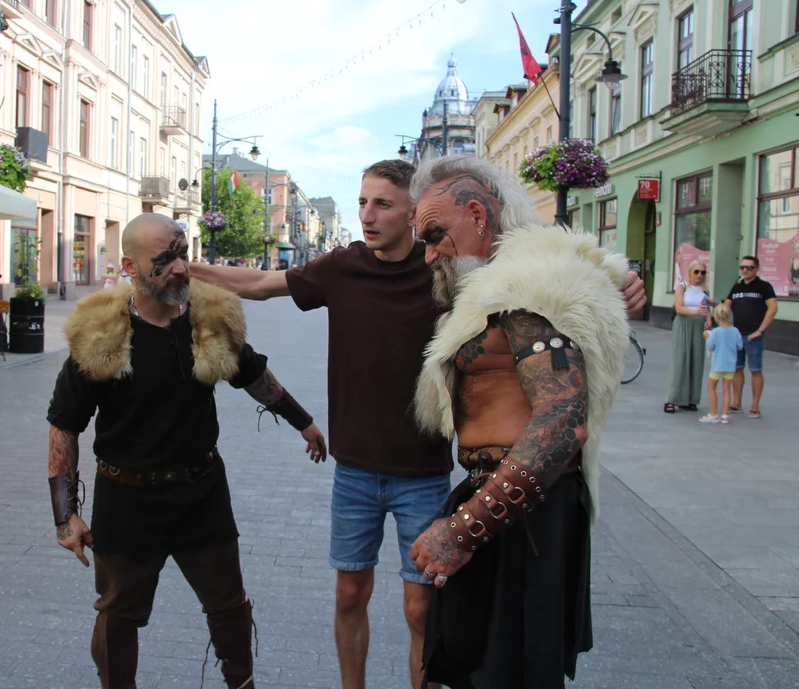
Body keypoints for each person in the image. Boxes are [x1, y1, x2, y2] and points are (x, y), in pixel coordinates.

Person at [189, 160, 646, 688]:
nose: (367, 214)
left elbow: (542, 266)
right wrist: (188, 268)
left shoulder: (462, 267)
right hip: (368, 471)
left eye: (382, 203)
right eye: (361, 202)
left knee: (431, 613)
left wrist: (616, 280)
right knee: (366, 599)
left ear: (414, 211)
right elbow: (264, 283)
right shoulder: (353, 266)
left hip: (445, 478)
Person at [47, 213, 327, 689]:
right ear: (130, 267)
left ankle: (241, 683)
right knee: (118, 617)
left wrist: (304, 422)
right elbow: (64, 427)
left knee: (229, 608)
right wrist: (63, 515)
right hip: (126, 499)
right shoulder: (101, 336)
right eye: (164, 260)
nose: (180, 268)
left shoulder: (208, 322)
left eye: (182, 254)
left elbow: (253, 375)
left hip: (201, 495)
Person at [408, 155, 630, 688]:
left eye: (436, 234)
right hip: (516, 507)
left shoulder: (527, 292)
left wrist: (463, 530)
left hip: (524, 512)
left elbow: (560, 424)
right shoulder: (508, 290)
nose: (430, 253)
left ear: (479, 216)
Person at [725, 255, 777, 418]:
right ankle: (737, 403)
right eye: (742, 268)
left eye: (749, 268)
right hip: (736, 335)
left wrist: (760, 330)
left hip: (754, 335)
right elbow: (726, 306)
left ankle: (755, 406)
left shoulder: (764, 287)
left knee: (755, 369)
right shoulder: (736, 287)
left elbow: (773, 308)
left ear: (757, 269)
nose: (745, 271)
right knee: (736, 368)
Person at [663, 259, 711, 413]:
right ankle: (672, 398)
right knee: (680, 359)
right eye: (696, 271)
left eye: (702, 272)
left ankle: (691, 399)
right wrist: (695, 312)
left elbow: (707, 308)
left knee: (697, 360)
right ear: (690, 272)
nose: (699, 275)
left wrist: (709, 320)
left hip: (699, 326)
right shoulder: (682, 287)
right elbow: (679, 307)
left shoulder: (704, 291)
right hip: (683, 324)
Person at [700, 304, 743, 425]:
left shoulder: (716, 332)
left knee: (711, 387)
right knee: (726, 389)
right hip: (730, 365)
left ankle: (713, 414)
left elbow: (710, 346)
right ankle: (725, 415)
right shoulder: (735, 331)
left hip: (717, 364)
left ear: (717, 318)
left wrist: (707, 337)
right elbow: (740, 346)